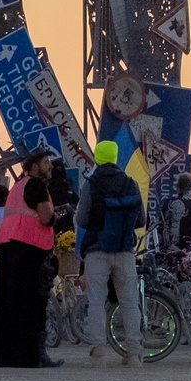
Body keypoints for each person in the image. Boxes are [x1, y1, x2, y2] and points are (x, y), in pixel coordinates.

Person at [76, 141, 145, 366]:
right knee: (129, 302)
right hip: (125, 250)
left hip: (97, 249)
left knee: (96, 301)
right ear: (115, 157)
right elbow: (141, 219)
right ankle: (134, 352)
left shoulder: (91, 184)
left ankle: (99, 353)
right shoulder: (130, 183)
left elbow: (82, 218)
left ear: (97, 157)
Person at [0, 149, 59, 367]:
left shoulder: (17, 186)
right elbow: (46, 218)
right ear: (34, 165)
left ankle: (6, 355)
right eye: (46, 162)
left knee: (8, 302)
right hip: (30, 248)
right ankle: (32, 356)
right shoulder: (37, 186)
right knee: (33, 303)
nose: (50, 166)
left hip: (8, 245)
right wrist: (58, 218)